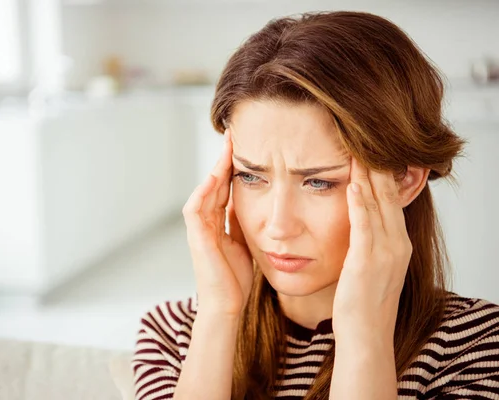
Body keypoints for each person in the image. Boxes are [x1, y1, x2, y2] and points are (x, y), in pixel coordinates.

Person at [132, 11, 499, 400]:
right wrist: (219, 316)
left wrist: (365, 335)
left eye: (318, 182)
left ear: (405, 180)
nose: (277, 226)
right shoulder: (175, 334)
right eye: (251, 176)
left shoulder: (477, 349)